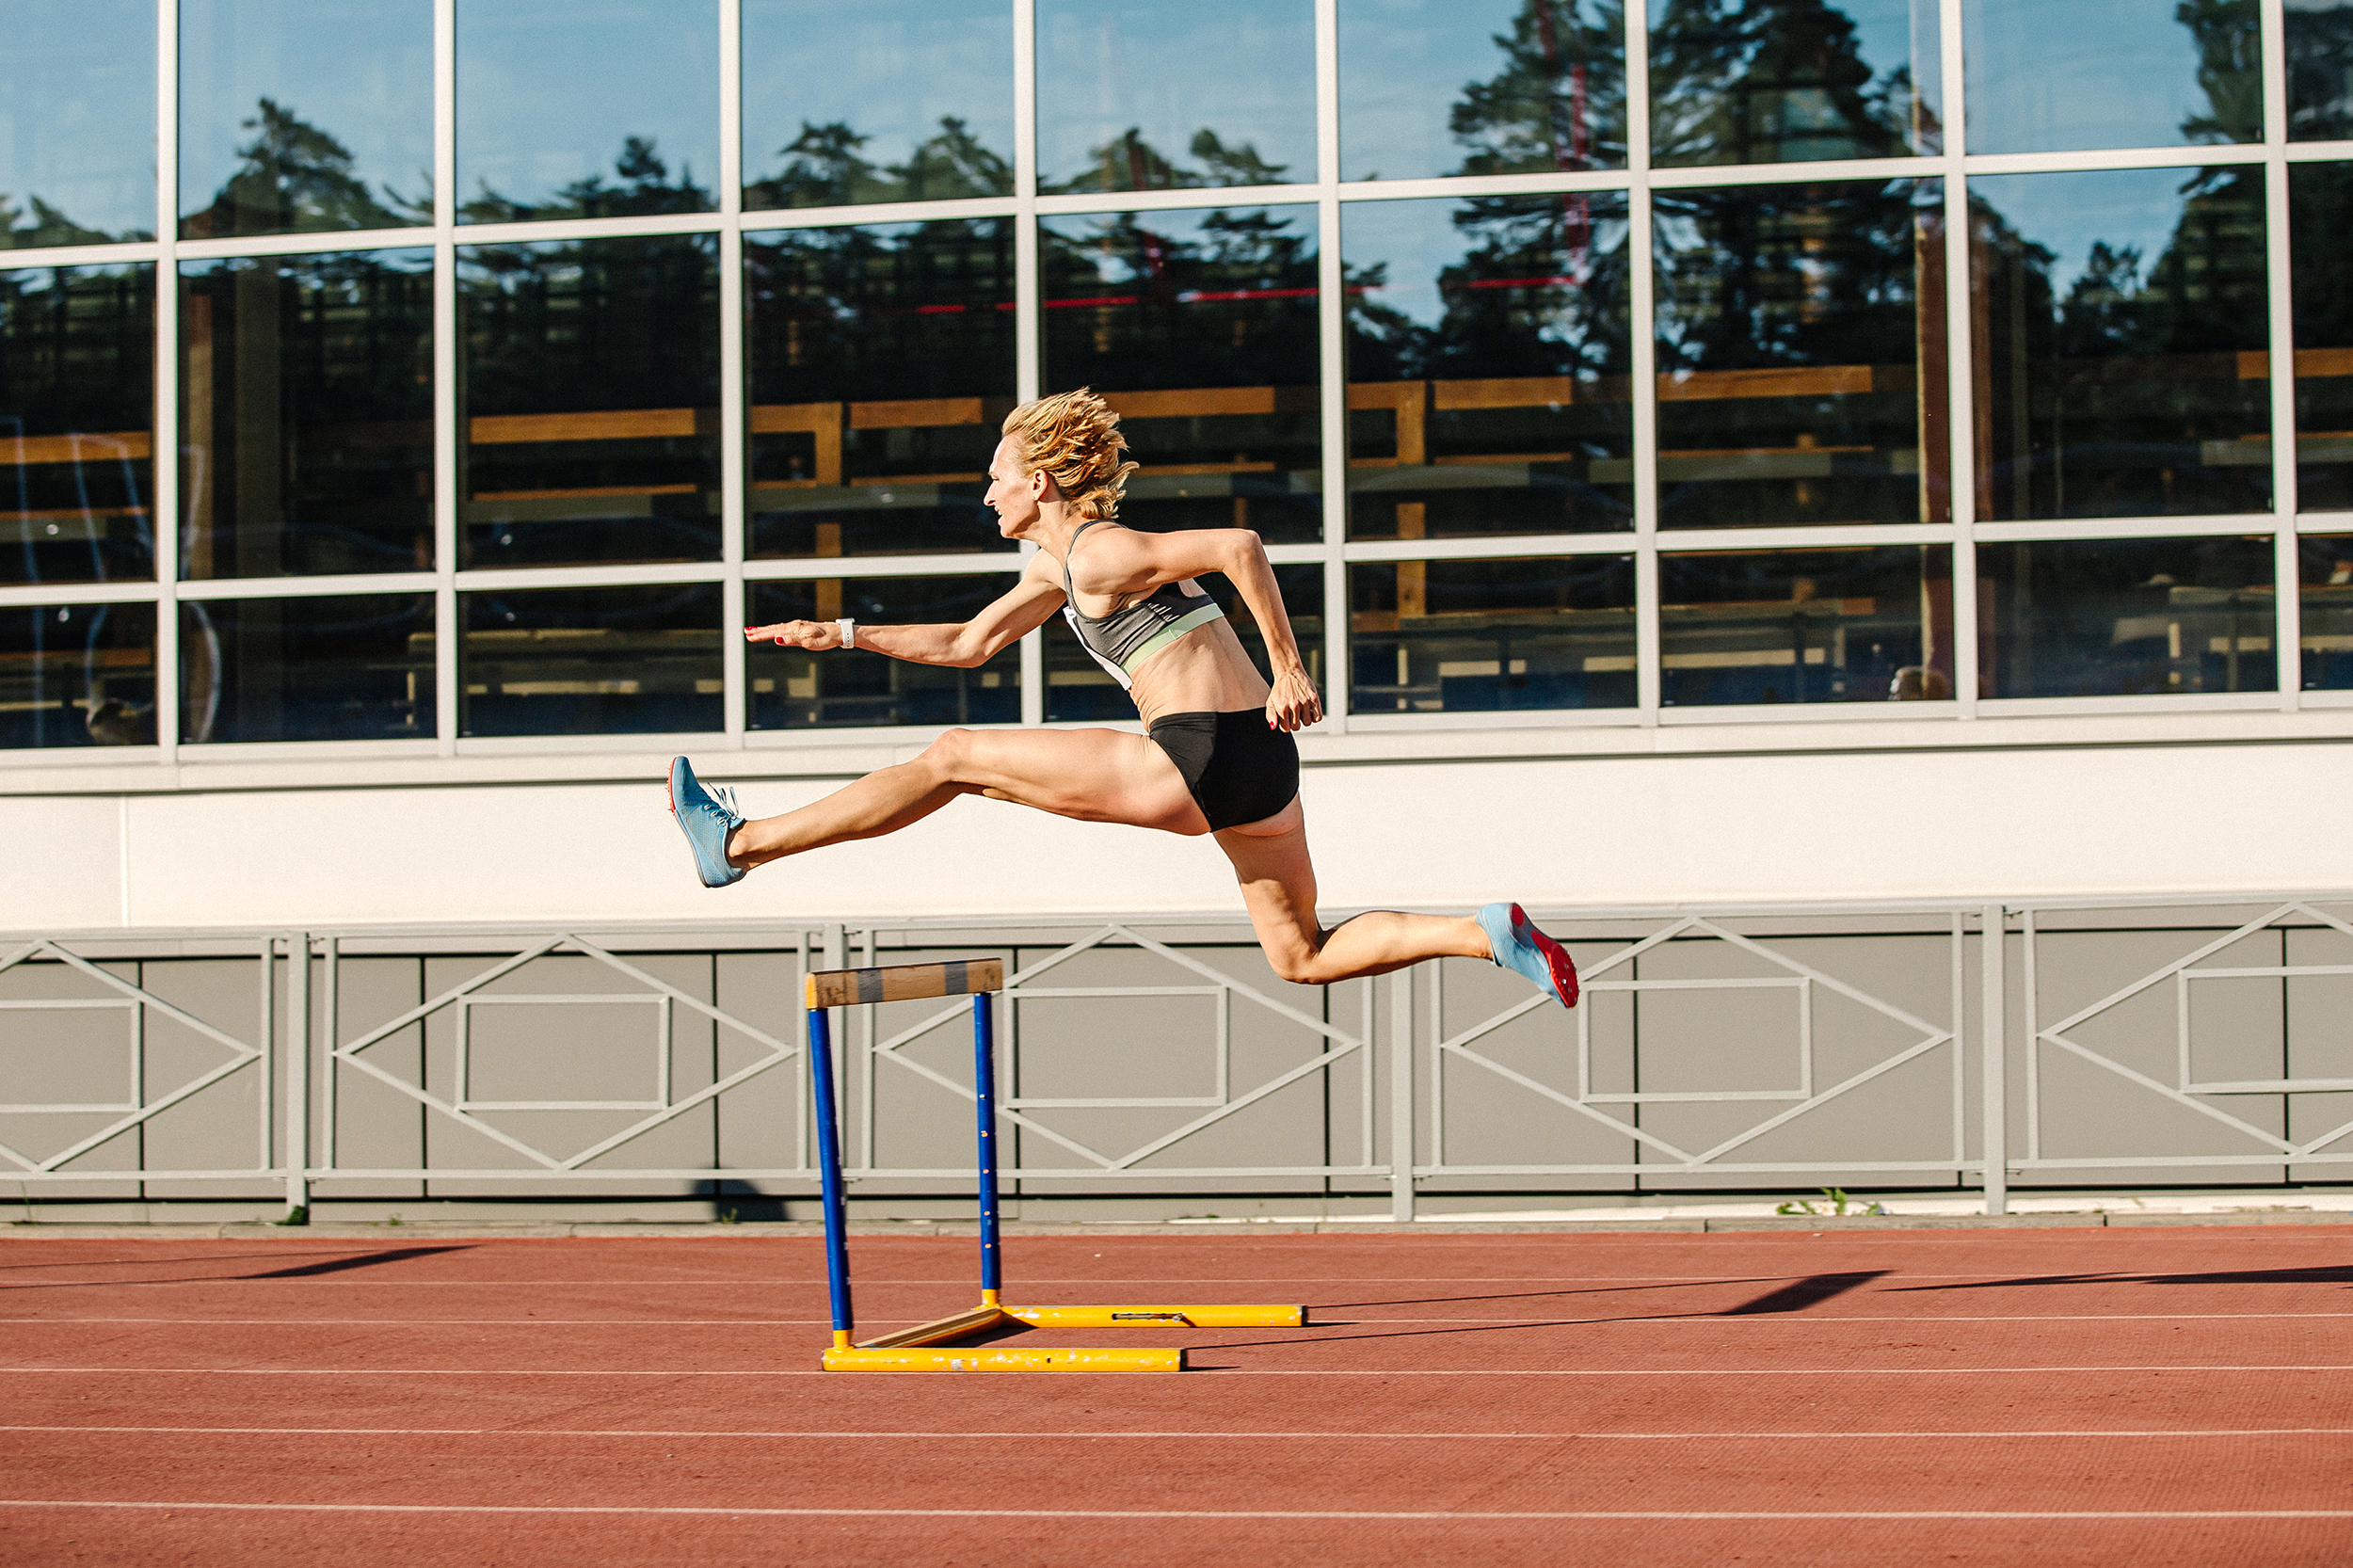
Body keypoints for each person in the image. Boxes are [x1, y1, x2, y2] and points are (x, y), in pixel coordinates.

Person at [665, 388, 1577, 1005]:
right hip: (1262, 768)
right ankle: (1483, 932)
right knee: (1300, 952)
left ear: (1039, 482)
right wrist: (846, 634)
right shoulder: (1060, 566)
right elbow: (969, 642)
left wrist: (1291, 666)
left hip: (1194, 752)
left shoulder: (1096, 553)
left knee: (952, 759)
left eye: (995, 476)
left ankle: (738, 845)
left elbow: (1240, 547)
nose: (985, 494)